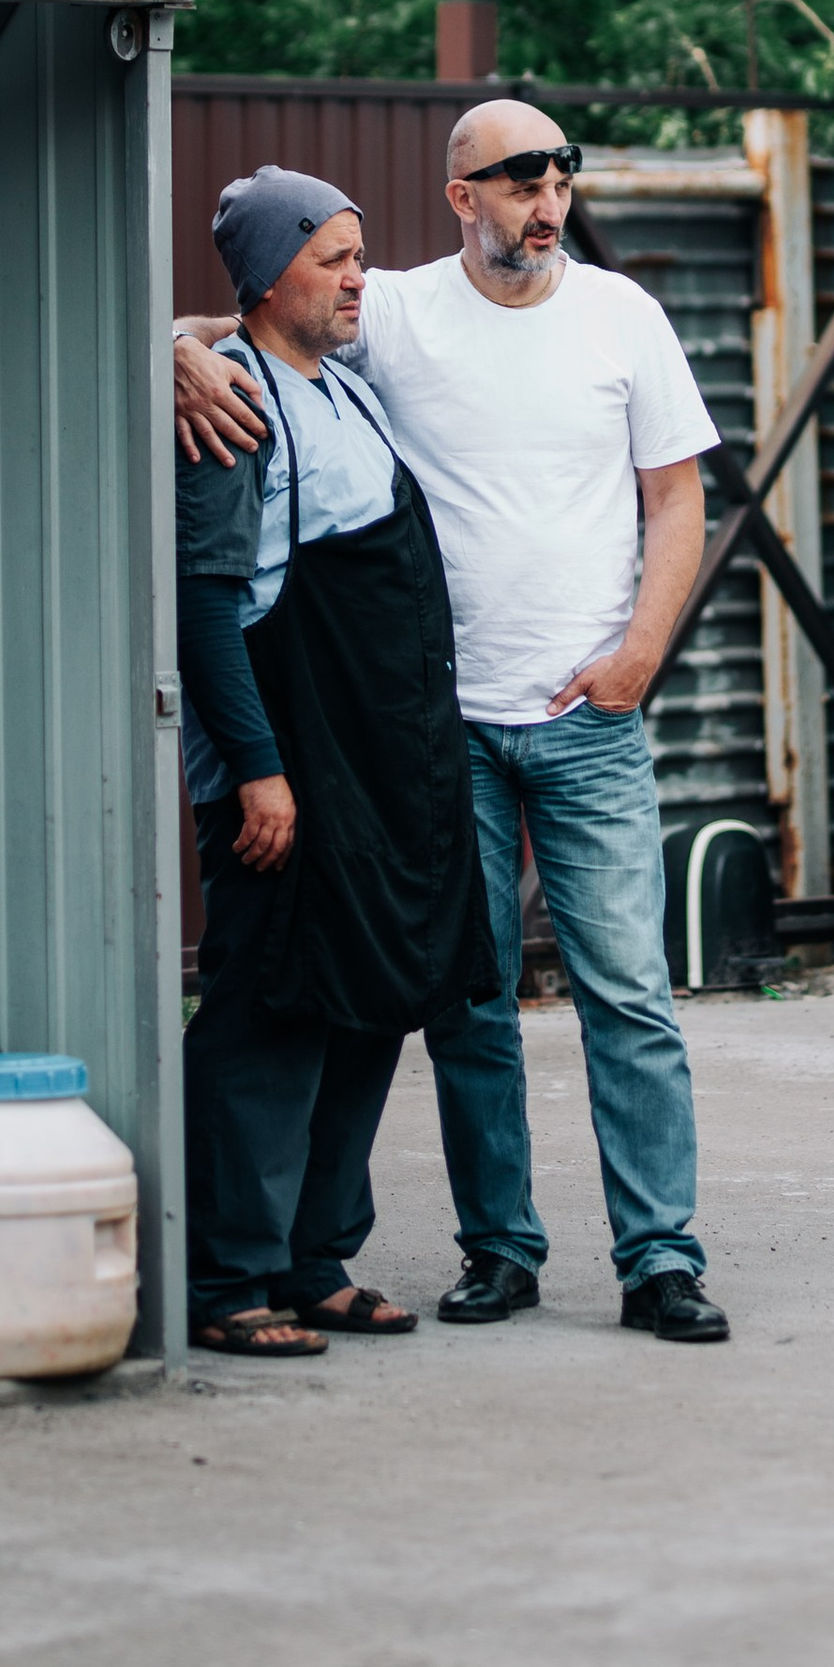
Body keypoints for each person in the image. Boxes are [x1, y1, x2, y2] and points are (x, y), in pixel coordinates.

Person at [176, 105, 731, 1345]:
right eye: (519, 179)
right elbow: (262, 331)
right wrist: (175, 342)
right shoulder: (401, 311)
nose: (547, 198)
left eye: (560, 175)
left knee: (628, 996)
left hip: (585, 713)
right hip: (439, 740)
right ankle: (501, 1252)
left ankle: (660, 1261)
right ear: (460, 195)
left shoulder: (620, 317)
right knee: (463, 1002)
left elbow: (675, 493)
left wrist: (638, 656)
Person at [176, 165, 497, 1359]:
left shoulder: (346, 389)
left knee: (373, 1003)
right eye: (332, 259)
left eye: (361, 256)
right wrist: (259, 771)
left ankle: (316, 1260)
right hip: (295, 774)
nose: (360, 277)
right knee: (272, 1017)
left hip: (389, 770)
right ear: (269, 277)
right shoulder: (233, 407)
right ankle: (226, 1280)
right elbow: (209, 611)